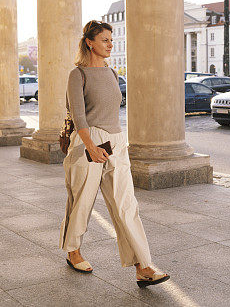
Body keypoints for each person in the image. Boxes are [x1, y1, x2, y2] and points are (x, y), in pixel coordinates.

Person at [60, 20, 170, 288]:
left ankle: (142, 266)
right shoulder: (79, 75)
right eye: (105, 40)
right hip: (88, 142)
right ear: (90, 42)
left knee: (125, 203)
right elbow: (78, 115)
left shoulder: (112, 73)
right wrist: (90, 146)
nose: (111, 44)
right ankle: (73, 251)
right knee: (82, 200)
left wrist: (116, 143)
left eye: (111, 40)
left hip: (116, 142)